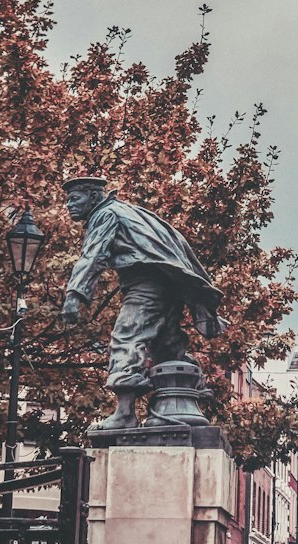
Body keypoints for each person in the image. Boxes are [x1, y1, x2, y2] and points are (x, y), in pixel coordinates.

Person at [61, 176, 224, 430]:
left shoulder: (105, 215)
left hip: (146, 284)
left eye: (74, 199)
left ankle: (125, 413)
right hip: (168, 284)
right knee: (166, 347)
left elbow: (93, 256)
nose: (69, 205)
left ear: (93, 196)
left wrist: (75, 295)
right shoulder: (129, 211)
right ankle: (181, 404)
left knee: (126, 337)